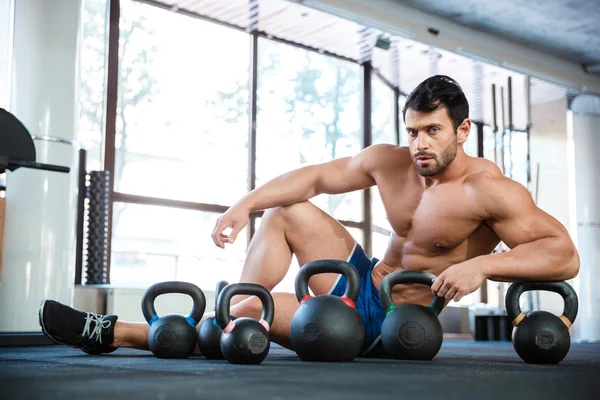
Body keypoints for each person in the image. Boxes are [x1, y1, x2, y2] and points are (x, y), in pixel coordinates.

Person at [39, 75, 580, 356]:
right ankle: (239, 306)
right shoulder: (391, 162)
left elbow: (564, 253)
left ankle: (112, 333)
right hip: (360, 277)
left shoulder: (490, 191)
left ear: (462, 131)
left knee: (233, 323)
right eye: (413, 130)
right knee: (287, 212)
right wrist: (243, 203)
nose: (418, 143)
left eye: (433, 131)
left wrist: (482, 268)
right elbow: (315, 178)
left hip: (387, 323)